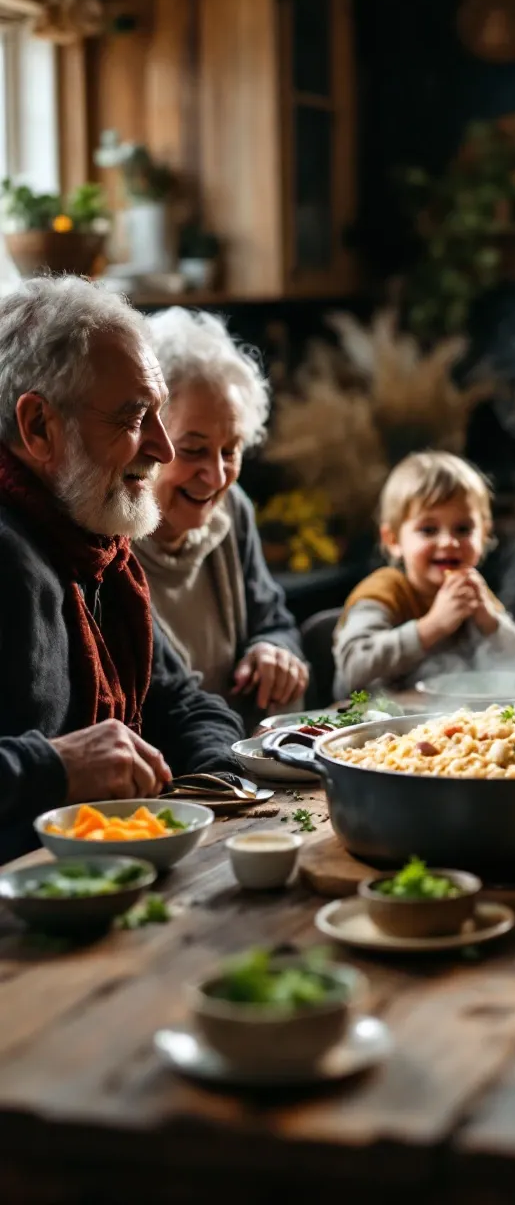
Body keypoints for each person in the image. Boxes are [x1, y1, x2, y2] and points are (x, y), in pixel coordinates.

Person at [0, 277, 245, 862]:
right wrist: (54, 767)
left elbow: (185, 704)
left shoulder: (98, 542)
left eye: (158, 414)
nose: (161, 448)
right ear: (38, 427)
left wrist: (214, 783)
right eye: (135, 417)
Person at [136, 308, 308, 729]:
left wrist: (274, 649)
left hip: (240, 748)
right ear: (145, 441)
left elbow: (274, 620)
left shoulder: (232, 508)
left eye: (230, 449)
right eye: (193, 450)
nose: (215, 476)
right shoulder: (108, 540)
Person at [333, 451, 515, 695]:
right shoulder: (384, 591)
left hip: (454, 724)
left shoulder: (473, 592)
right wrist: (431, 627)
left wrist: (489, 621)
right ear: (393, 540)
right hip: (379, 722)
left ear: (484, 535)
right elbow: (353, 669)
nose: (448, 542)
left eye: (463, 528)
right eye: (428, 530)